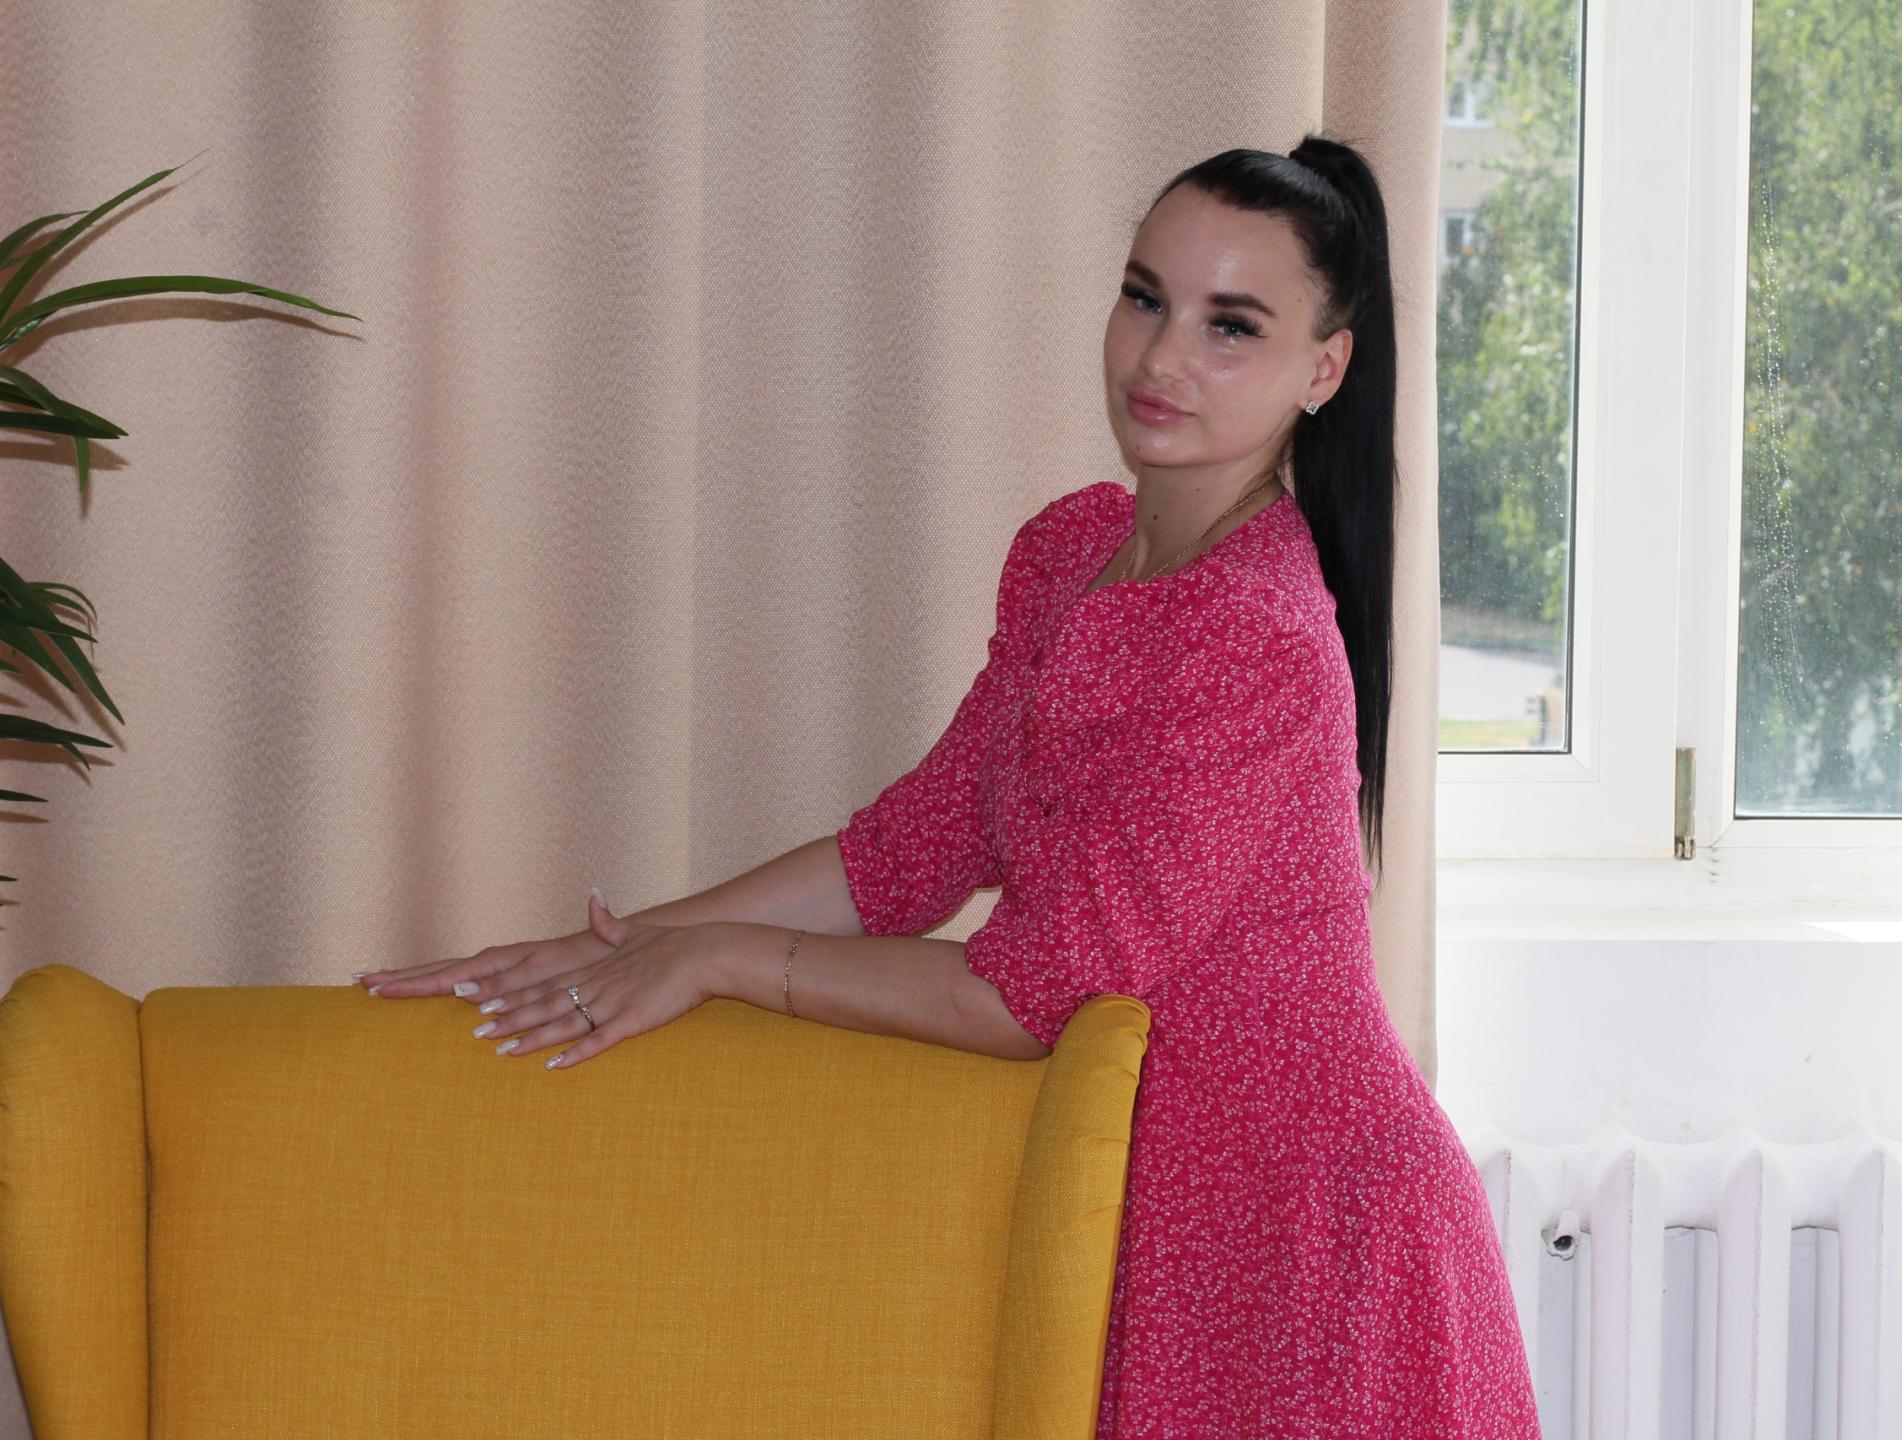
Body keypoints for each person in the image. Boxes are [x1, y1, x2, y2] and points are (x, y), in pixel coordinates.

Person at [356, 133, 1542, 1436]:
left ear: (1325, 368)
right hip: (1159, 1212)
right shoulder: (1075, 552)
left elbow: (1026, 994)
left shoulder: (1254, 633)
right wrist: (623, 946)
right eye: (1145, 297)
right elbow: (907, 855)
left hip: (1316, 1239)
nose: (1160, 357)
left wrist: (722, 960)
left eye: (1230, 326)